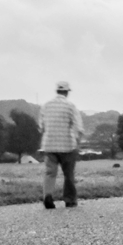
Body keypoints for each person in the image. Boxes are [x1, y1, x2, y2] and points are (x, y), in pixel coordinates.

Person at [38, 80, 84, 208]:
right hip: (67, 145)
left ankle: (47, 196)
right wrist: (77, 143)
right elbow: (79, 128)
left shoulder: (45, 106)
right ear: (67, 92)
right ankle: (69, 200)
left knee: (50, 172)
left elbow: (41, 127)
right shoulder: (70, 106)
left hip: (49, 145)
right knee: (68, 174)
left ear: (57, 91)